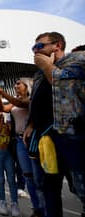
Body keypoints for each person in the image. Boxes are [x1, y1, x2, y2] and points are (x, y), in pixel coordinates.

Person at [24, 32, 85, 217]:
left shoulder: (77, 60)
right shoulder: (39, 74)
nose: (35, 51)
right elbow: (35, 101)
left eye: (40, 46)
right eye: (33, 48)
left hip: (72, 135)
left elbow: (66, 86)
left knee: (79, 185)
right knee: (48, 187)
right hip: (46, 137)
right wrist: (30, 124)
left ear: (57, 45)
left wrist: (47, 66)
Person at [0, 78, 43, 217]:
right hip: (19, 141)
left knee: (38, 175)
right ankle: (36, 208)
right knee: (27, 175)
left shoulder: (31, 98)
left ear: (27, 86)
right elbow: (2, 109)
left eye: (18, 83)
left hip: (32, 139)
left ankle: (43, 206)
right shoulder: (14, 100)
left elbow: (20, 103)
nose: (15, 86)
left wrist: (2, 91)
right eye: (15, 84)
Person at [0, 108, 20, 216]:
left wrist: (5, 121)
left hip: (8, 154)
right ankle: (2, 203)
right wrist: (1, 125)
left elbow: (11, 132)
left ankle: (14, 203)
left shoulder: (7, 125)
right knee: (0, 179)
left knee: (11, 179)